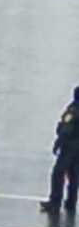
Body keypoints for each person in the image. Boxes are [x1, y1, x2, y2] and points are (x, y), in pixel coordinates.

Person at [43, 87, 79, 218]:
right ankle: (71, 202)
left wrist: (58, 143)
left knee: (59, 172)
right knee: (74, 175)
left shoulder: (74, 110)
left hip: (69, 146)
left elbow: (66, 129)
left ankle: (55, 202)